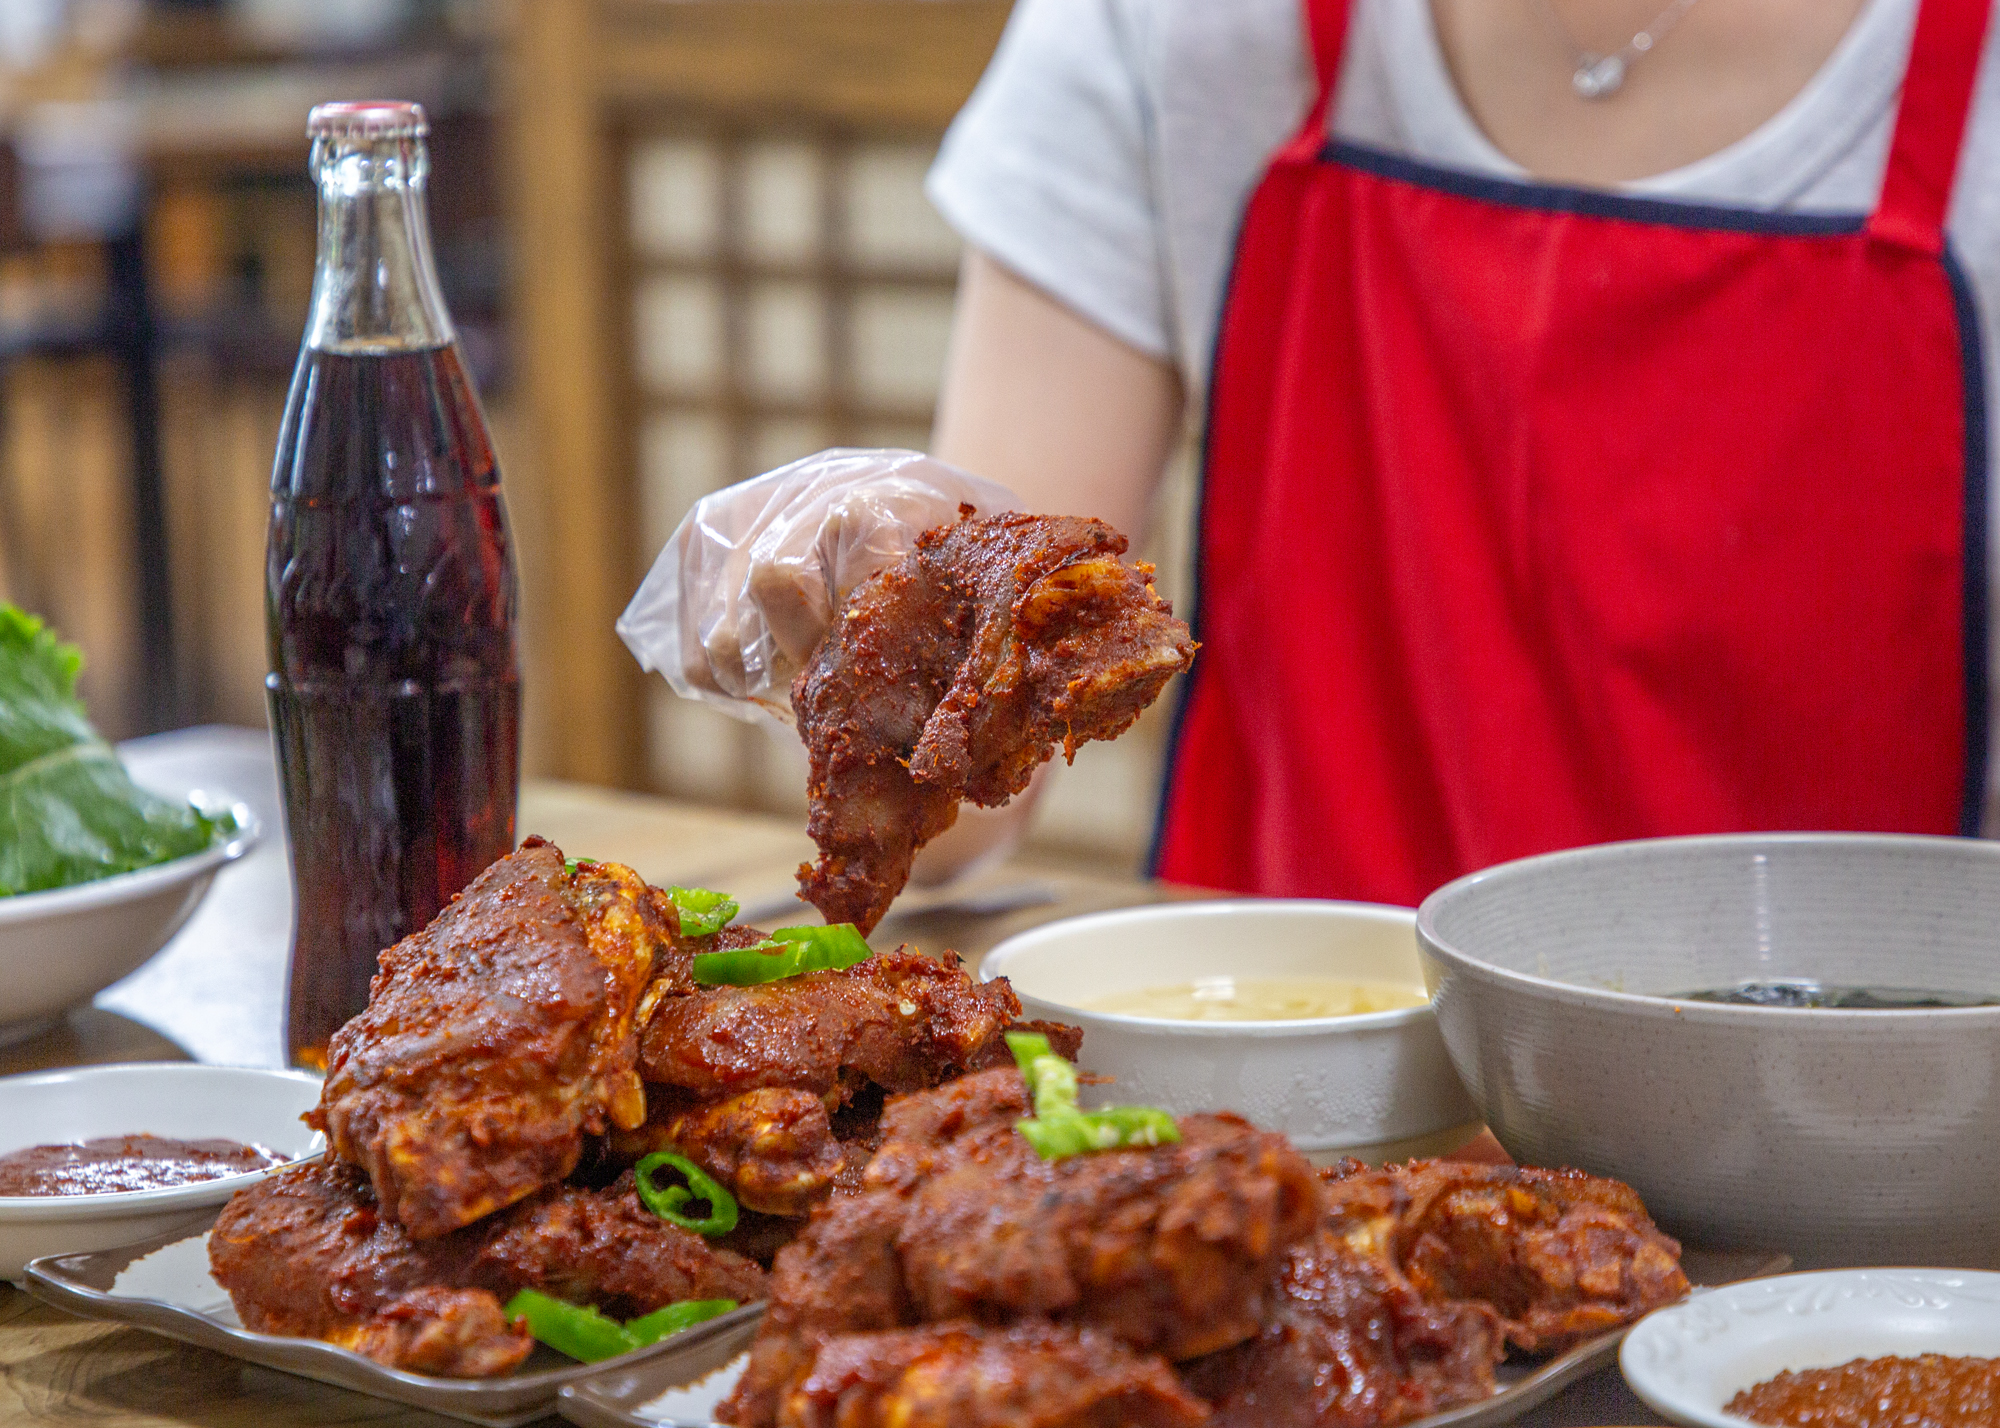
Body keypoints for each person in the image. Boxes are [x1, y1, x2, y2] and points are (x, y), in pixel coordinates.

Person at [684, 0, 2000, 906]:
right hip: (1277, 1116)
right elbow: (971, 790)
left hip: (1884, 1164)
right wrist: (868, 614)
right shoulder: (1192, 30)